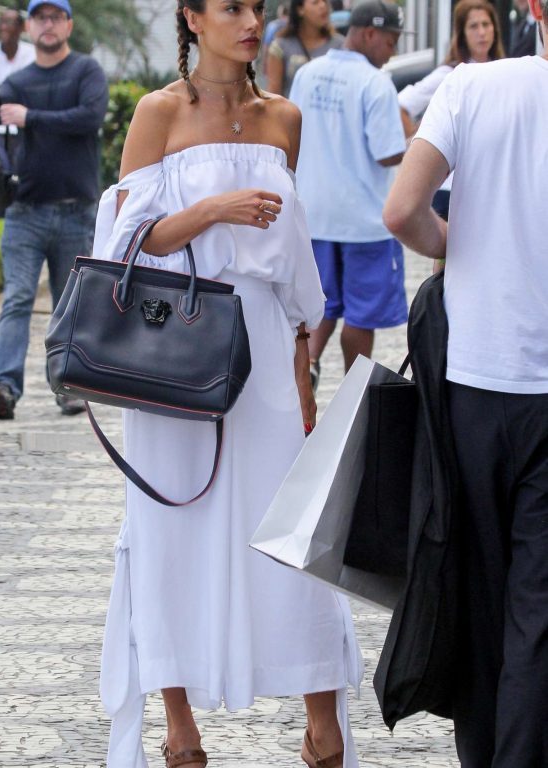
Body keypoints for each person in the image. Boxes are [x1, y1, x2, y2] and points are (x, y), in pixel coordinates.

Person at [92, 0, 363, 766]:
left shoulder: (284, 117)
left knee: (290, 530)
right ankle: (180, 729)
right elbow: (121, 246)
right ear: (192, 18)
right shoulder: (160, 113)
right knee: (170, 530)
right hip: (176, 344)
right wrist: (213, 210)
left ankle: (323, 727)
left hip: (269, 342)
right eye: (231, 7)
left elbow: (294, 246)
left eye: (257, 7)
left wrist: (304, 357)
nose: (250, 21)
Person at [382, 0, 548, 765]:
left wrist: (453, 242)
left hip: (473, 382)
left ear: (532, 9)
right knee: (537, 610)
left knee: (477, 593)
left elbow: (401, 211)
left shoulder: (473, 88)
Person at [0, 0, 108, 420]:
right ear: (29, 27)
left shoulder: (86, 71)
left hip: (76, 211)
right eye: (40, 18)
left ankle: (69, 388)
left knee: (69, 305)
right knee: (18, 298)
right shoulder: (20, 80)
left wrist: (31, 117)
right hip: (25, 211)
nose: (48, 24)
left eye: (56, 17)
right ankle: (4, 386)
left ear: (69, 25)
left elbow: (89, 116)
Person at [289, 0, 407, 385]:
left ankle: (308, 366)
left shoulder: (307, 74)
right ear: (370, 34)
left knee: (319, 305)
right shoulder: (375, 82)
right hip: (363, 222)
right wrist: (417, 142)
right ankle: (354, 394)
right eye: (391, 42)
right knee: (361, 315)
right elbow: (387, 153)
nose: (392, 52)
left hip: (314, 215)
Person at [398, 0, 505, 219]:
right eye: (473, 26)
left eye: (486, 24)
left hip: (491, 187)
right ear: (462, 34)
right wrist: (420, 141)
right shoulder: (451, 74)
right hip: (450, 190)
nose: (482, 32)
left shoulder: (506, 72)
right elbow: (400, 104)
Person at [267, 0, 344, 97]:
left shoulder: (340, 46)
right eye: (315, 2)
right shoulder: (281, 47)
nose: (323, 5)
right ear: (300, 9)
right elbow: (274, 94)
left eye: (325, 1)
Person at [0, 9, 36, 86]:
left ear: (21, 28)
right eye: (1, 22)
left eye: (9, 22)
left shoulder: (33, 54)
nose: (3, 27)